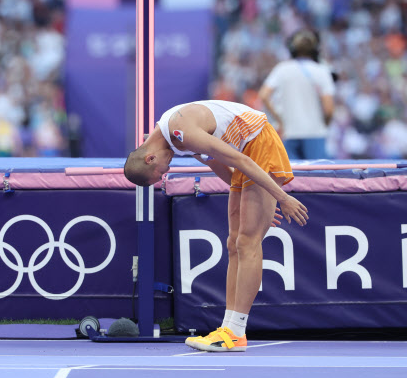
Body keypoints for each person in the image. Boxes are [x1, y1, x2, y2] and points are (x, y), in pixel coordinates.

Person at [124, 99, 308, 352]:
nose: (165, 171)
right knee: (233, 243)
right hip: (248, 152)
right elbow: (216, 163)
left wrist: (281, 197)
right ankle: (227, 328)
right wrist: (254, 197)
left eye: (160, 172)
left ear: (150, 157)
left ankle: (237, 331)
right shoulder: (171, 139)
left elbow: (240, 161)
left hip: (259, 144)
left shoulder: (182, 132)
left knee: (247, 242)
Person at [258, 29, 335, 160]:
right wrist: (324, 124)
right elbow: (329, 109)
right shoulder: (322, 71)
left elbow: (264, 95)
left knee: (292, 177)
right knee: (316, 177)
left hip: (290, 132)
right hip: (315, 133)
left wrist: (280, 119)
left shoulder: (282, 69)